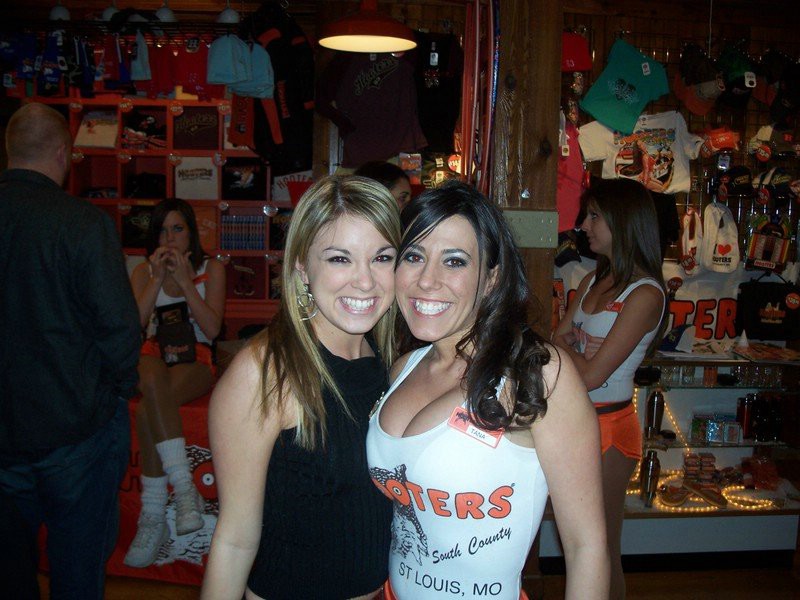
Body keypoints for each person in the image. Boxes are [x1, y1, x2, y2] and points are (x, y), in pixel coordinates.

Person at [367, 181, 609, 600]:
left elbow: (586, 547)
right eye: (414, 256)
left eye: (454, 261)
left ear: (492, 278)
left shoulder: (539, 373)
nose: (427, 280)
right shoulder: (404, 368)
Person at [201, 175, 401, 600]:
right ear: (301, 267)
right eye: (340, 259)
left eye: (382, 258)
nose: (366, 281)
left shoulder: (390, 364)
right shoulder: (265, 372)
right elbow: (234, 541)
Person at [0, 102, 141, 599]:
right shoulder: (82, 223)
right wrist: (113, 393)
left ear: (9, 150)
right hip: (76, 429)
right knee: (77, 575)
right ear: (64, 153)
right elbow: (120, 328)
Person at [553, 178, 666, 600]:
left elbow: (589, 375)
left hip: (610, 428)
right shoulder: (589, 281)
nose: (583, 225)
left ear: (624, 221)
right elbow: (554, 341)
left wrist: (571, 349)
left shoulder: (646, 293)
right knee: (576, 547)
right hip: (571, 422)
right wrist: (574, 351)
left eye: (594, 216)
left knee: (599, 551)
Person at [123, 198, 226, 568]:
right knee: (149, 373)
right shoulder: (142, 271)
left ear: (190, 233)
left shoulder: (211, 268)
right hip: (153, 352)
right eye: (163, 230)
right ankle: (184, 491)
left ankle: (152, 515)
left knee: (150, 405)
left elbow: (212, 330)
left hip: (194, 355)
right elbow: (135, 326)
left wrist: (185, 281)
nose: (170, 238)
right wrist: (156, 280)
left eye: (177, 229)